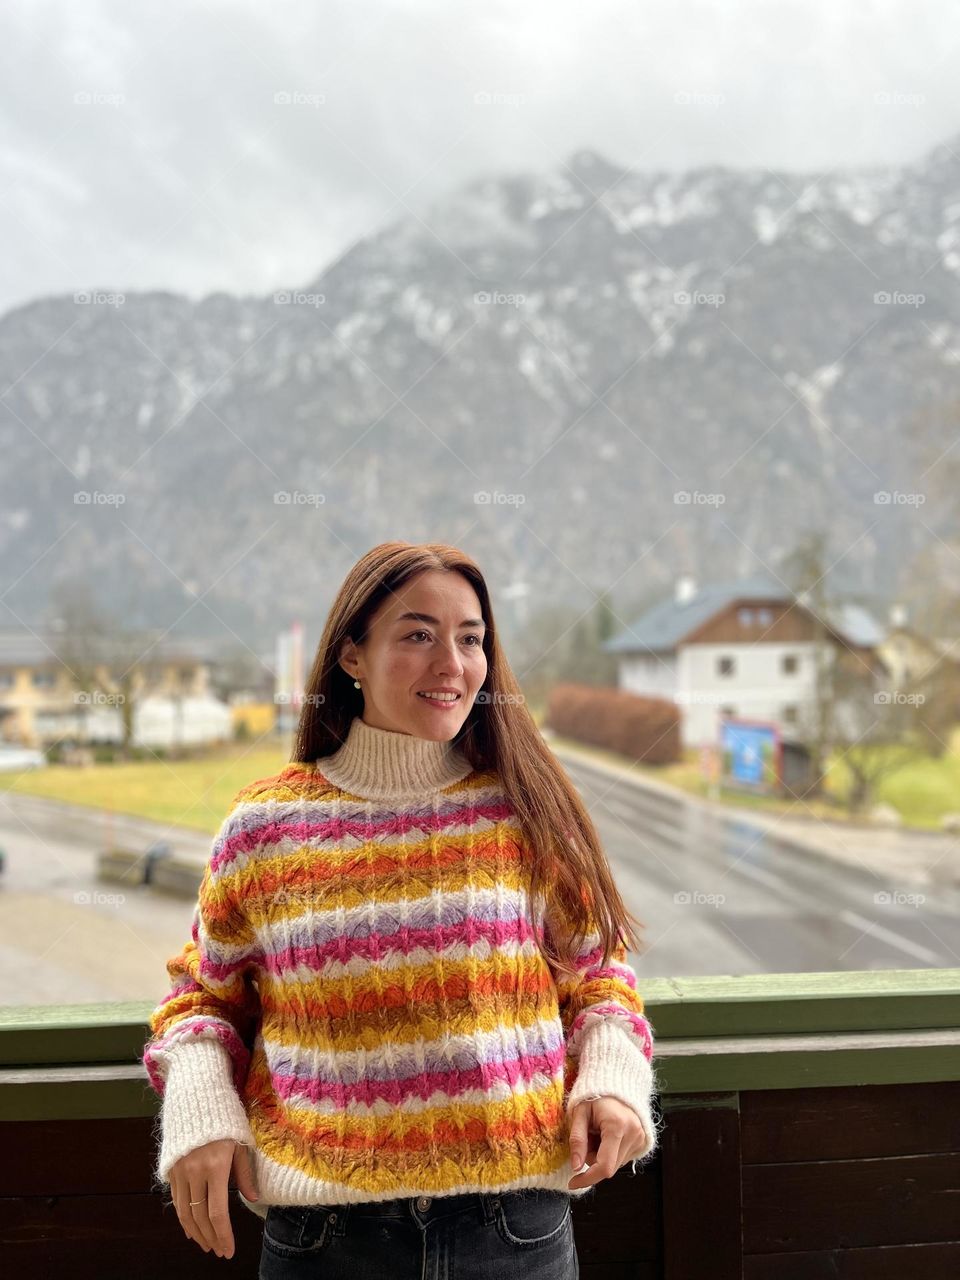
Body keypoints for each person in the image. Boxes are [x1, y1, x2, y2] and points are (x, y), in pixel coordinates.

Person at [142, 541, 662, 1278]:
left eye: (470, 638)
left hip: (514, 1233)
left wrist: (612, 1078)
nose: (452, 662)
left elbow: (599, 977)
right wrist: (199, 1112)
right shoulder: (265, 826)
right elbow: (201, 999)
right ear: (352, 655)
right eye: (418, 634)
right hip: (324, 1240)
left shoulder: (524, 811)